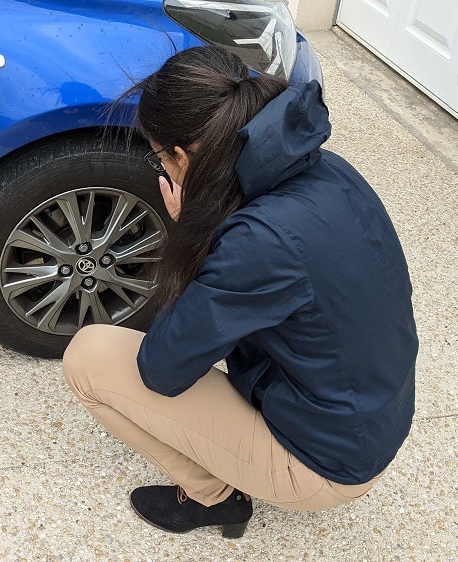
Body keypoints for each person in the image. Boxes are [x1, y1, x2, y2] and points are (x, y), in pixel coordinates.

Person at [62, 46, 418, 538]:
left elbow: (162, 369)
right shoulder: (328, 168)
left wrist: (190, 231)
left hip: (326, 465)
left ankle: (214, 498)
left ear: (181, 156)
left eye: (159, 155)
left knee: (88, 357)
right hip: (370, 419)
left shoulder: (259, 242)